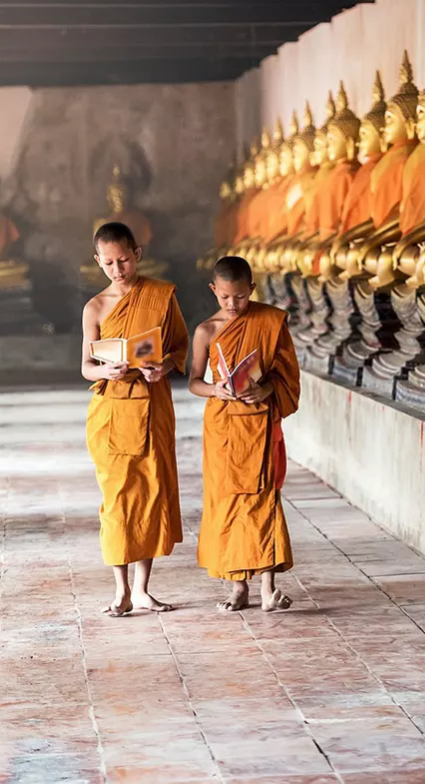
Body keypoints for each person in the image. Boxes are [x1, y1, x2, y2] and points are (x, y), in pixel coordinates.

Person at [81, 221, 189, 617]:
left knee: (149, 495)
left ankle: (143, 590)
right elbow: (86, 367)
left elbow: (178, 347)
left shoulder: (161, 296)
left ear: (137, 254)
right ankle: (120, 590)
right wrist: (105, 371)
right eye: (108, 263)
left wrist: (163, 367)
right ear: (98, 262)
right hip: (112, 413)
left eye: (123, 260)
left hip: (152, 405)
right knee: (117, 501)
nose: (118, 269)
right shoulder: (94, 307)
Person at [189, 256, 300, 612]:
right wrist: (216, 389)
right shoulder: (206, 330)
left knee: (262, 499)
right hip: (222, 425)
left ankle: (268, 588)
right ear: (214, 291)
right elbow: (193, 382)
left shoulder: (270, 321)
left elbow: (287, 375)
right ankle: (238, 586)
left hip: (258, 423)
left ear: (251, 289)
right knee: (226, 504)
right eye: (225, 298)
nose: (233, 305)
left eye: (239, 297)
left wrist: (266, 390)